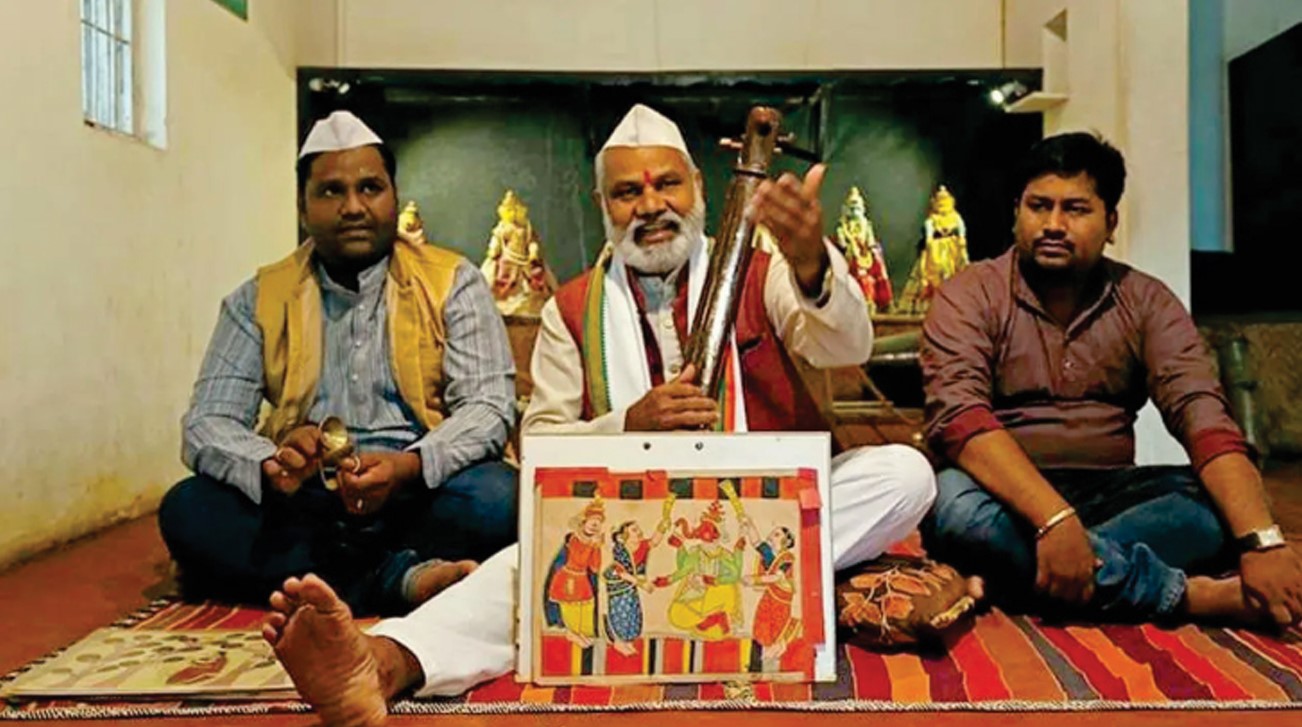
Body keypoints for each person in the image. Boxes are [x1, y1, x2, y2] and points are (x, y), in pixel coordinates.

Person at [261, 104, 953, 726]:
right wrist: (629, 425)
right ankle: (385, 663)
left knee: (904, 473)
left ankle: (685, 595)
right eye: (628, 192)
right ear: (603, 205)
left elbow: (843, 346)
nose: (650, 204)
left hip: (762, 518)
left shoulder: (760, 272)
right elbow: (540, 446)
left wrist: (809, 268)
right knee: (533, 563)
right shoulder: (570, 308)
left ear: (698, 188)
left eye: (666, 184)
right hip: (632, 530)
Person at [919, 131, 1302, 626]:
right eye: (1039, 206)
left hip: (1114, 492)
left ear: (1112, 223)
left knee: (1218, 507)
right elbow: (959, 420)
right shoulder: (969, 294)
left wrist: (1262, 542)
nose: (1053, 225)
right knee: (954, 510)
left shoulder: (1146, 300)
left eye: (1076, 209)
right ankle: (1182, 596)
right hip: (998, 498)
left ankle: (1025, 578)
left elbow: (1203, 417)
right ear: (1016, 213)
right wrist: (1053, 518)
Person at [159, 110, 518, 617]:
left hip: (415, 492)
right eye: (331, 191)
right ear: (303, 207)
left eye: (370, 188)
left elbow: (489, 406)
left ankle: (324, 576)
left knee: (498, 499)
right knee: (189, 509)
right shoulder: (258, 298)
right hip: (305, 500)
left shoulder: (453, 282)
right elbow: (207, 422)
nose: (353, 207)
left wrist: (408, 466)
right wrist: (272, 464)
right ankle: (401, 580)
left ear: (394, 196)